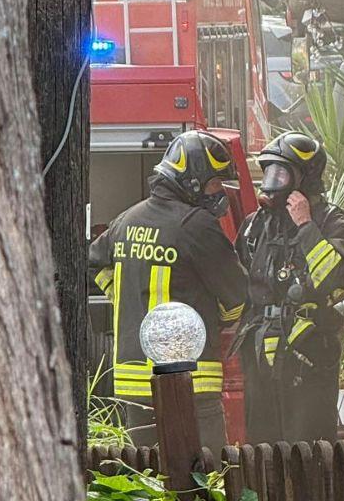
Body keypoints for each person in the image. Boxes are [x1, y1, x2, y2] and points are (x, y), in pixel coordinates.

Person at [89, 130, 248, 449]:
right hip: (190, 380)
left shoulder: (125, 221)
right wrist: (216, 318)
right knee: (205, 476)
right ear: (192, 181)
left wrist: (122, 298)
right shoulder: (197, 226)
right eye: (214, 183)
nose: (218, 193)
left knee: (146, 477)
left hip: (134, 381)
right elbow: (237, 296)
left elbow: (93, 261)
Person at [236, 132, 344, 443]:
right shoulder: (256, 224)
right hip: (260, 352)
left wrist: (305, 225)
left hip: (309, 353)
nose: (271, 182)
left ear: (305, 179)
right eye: (269, 172)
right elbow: (238, 278)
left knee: (308, 445)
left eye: (281, 173)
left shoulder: (333, 223)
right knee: (261, 444)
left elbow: (333, 278)